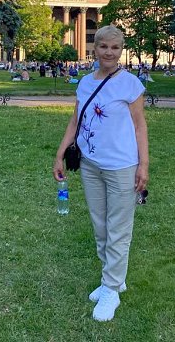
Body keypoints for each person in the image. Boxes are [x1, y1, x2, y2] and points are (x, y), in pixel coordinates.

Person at [53, 25, 149, 322]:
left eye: (115, 47)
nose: (109, 52)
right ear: (94, 49)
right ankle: (113, 278)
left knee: (118, 228)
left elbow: (140, 126)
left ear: (121, 51)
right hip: (91, 164)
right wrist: (60, 154)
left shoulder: (130, 84)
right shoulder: (84, 83)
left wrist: (144, 165)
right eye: (104, 46)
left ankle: (111, 288)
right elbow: (75, 121)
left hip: (121, 166)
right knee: (100, 226)